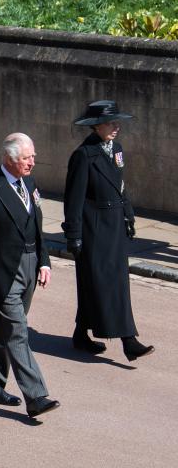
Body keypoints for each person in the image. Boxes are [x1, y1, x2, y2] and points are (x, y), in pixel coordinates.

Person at [0, 133, 59, 420]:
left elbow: (37, 226)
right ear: (9, 159)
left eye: (33, 157)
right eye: (27, 158)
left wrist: (44, 261)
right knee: (17, 331)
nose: (32, 162)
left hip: (29, 265)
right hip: (1, 273)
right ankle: (37, 396)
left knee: (5, 330)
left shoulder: (29, 183)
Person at [62, 100, 154, 362]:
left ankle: (81, 334)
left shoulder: (117, 149)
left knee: (104, 283)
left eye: (117, 123)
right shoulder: (83, 156)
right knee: (106, 284)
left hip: (114, 223)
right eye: (111, 123)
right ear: (96, 126)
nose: (117, 127)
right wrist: (74, 234)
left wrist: (128, 215)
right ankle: (129, 340)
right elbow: (74, 199)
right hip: (94, 226)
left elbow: (120, 185)